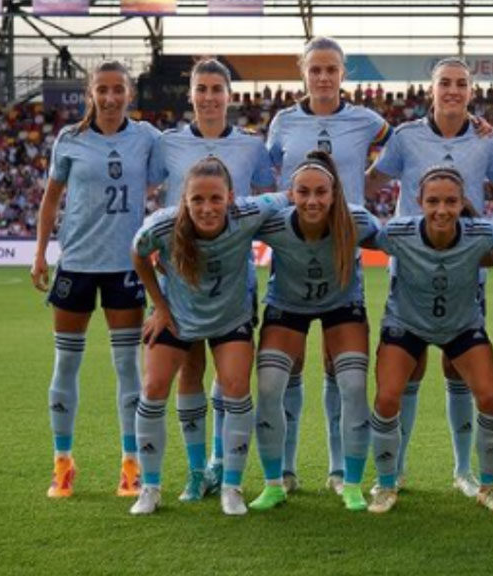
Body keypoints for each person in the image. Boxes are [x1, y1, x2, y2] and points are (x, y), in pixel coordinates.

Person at [364, 57, 493, 497]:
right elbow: (373, 183)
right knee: (408, 369)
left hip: (464, 267)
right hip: (410, 267)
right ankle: (396, 471)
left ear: (471, 91)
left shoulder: (488, 142)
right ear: (431, 90)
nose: (452, 90)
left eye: (461, 84)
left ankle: (463, 471)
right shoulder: (406, 137)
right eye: (445, 83)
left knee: (457, 367)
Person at [31, 60, 164, 500]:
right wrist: (40, 254)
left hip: (125, 266)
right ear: (90, 93)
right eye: (101, 90)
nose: (109, 97)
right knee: (65, 364)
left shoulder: (146, 138)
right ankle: (62, 463)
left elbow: (173, 175)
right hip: (76, 266)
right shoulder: (69, 140)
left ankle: (131, 466)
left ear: (129, 93)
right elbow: (50, 201)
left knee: (128, 367)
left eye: (117, 90)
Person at [266, 36, 392, 494]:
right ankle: (286, 469)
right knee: (289, 367)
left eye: (331, 69)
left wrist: (365, 186)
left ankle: (340, 471)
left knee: (338, 369)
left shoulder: (366, 120)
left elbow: (401, 151)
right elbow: (269, 176)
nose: (323, 77)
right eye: (315, 69)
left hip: (342, 254)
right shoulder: (283, 122)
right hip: (293, 254)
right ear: (303, 71)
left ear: (343, 74)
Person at [128, 156, 289, 516]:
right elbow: (138, 254)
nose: (207, 207)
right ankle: (152, 488)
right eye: (197, 199)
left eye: (215, 198)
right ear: (184, 200)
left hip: (231, 317)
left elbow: (289, 195)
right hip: (179, 317)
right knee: (153, 387)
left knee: (235, 386)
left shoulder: (249, 213)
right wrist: (160, 306)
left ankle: (231, 486)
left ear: (230, 197)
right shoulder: (163, 226)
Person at [157, 58, 276, 502]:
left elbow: (267, 205)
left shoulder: (251, 148)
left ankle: (221, 464)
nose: (208, 97)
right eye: (201, 89)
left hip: (233, 279)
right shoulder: (165, 143)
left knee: (232, 379)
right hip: (181, 278)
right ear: (191, 94)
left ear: (229, 96)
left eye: (216, 89)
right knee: (191, 370)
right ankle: (195, 472)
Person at [367, 165, 493, 514]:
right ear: (418, 201)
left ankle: (488, 486)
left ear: (463, 203)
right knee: (386, 398)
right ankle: (386, 484)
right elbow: (357, 234)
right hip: (406, 323)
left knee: (490, 397)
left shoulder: (483, 234)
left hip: (461, 325)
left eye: (450, 201)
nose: (441, 209)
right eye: (433, 201)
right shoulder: (397, 232)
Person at [248, 150, 379, 513]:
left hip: (342, 304)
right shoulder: (274, 223)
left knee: (353, 386)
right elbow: (233, 221)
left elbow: (400, 242)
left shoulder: (357, 222)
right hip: (287, 305)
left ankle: (350, 482)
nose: (312, 200)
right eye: (303, 192)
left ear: (334, 194)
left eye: (321, 192)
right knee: (270, 386)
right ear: (291, 194)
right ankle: (275, 482)